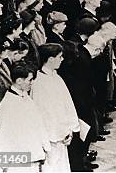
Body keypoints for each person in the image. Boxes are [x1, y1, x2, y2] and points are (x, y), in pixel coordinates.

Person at [31, 44, 80, 172]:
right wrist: (62, 131)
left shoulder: (56, 77)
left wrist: (69, 128)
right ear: (50, 59)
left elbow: (66, 104)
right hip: (51, 136)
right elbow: (46, 113)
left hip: (61, 133)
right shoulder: (39, 82)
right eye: (59, 57)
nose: (62, 59)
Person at [0, 62, 51, 170]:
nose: (32, 83)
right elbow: (3, 135)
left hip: (33, 155)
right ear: (19, 81)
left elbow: (38, 124)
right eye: (30, 80)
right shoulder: (9, 103)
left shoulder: (26, 98)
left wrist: (45, 147)